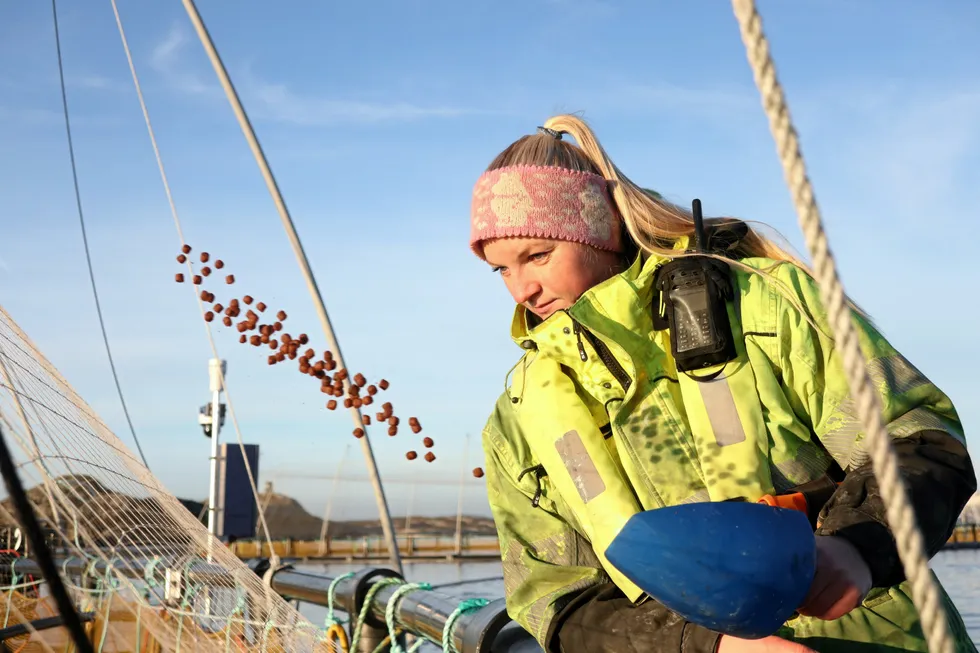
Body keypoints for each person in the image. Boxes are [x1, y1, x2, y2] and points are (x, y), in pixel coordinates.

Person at [471, 115, 977, 653]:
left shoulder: (763, 304)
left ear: (602, 233)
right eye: (500, 269)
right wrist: (708, 645)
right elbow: (553, 598)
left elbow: (922, 440)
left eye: (538, 255)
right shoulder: (516, 421)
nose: (522, 288)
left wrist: (856, 548)